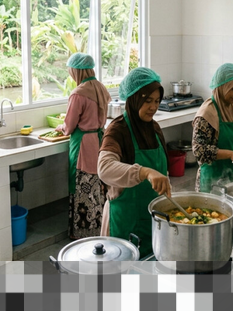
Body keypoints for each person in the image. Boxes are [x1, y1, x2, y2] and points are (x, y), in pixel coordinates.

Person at [97, 67, 171, 258]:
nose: (153, 107)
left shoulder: (154, 128)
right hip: (125, 222)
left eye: (157, 101)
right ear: (135, 98)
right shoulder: (118, 130)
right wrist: (144, 172)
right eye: (148, 101)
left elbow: (163, 170)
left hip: (153, 220)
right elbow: (104, 168)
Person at [56, 53, 112, 240]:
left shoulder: (78, 93)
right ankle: (100, 229)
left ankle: (82, 233)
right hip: (99, 140)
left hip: (83, 145)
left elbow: (70, 126)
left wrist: (61, 127)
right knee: (97, 183)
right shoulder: (100, 87)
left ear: (76, 71)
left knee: (82, 184)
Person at [192, 63, 233, 192]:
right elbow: (199, 151)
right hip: (212, 181)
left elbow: (232, 141)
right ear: (222, 87)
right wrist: (230, 154)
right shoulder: (207, 113)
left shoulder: (232, 109)